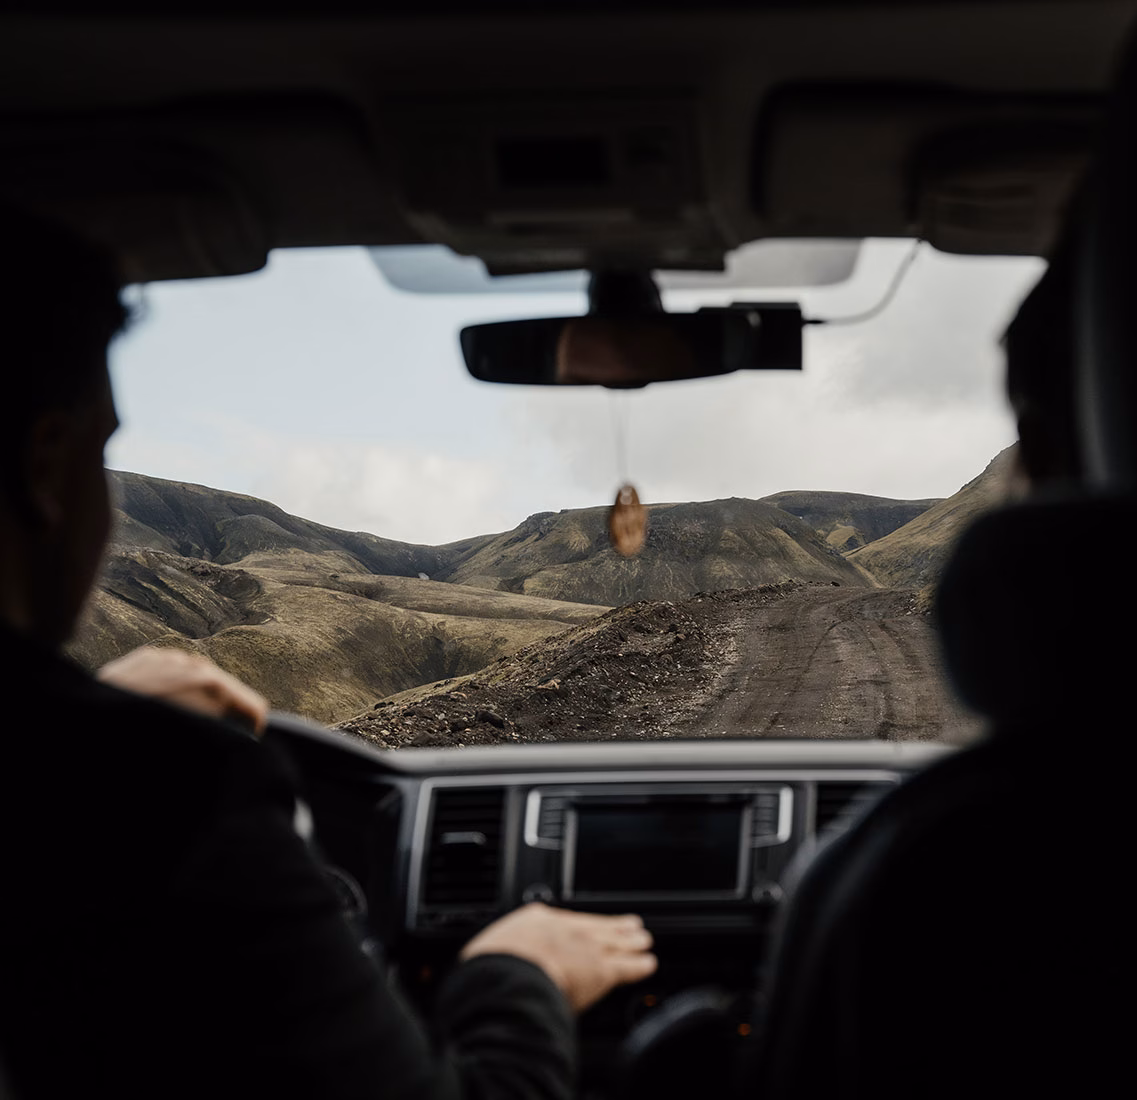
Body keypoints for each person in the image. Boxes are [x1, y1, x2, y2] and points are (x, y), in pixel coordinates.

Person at [0, 209, 656, 1098]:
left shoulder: (74, 774)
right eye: (102, 453)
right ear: (46, 466)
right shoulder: (163, 795)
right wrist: (520, 976)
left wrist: (94, 725)